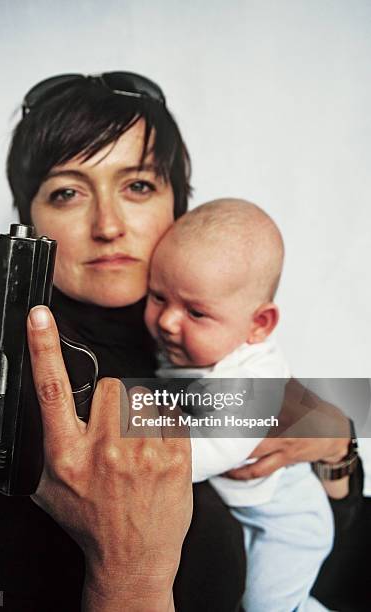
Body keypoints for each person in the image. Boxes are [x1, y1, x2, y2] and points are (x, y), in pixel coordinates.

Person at [0, 72, 352, 611]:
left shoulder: (211, 347)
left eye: (137, 186)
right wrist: (127, 576)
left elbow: (341, 551)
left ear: (177, 205)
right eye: (67, 193)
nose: (108, 224)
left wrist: (336, 446)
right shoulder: (25, 411)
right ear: (31, 223)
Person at [144, 198, 334, 611]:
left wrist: (153, 461)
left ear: (258, 325)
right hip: (243, 510)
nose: (168, 322)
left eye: (195, 312)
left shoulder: (255, 375)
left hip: (285, 521)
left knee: (266, 606)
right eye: (158, 297)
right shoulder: (184, 349)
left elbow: (221, 448)